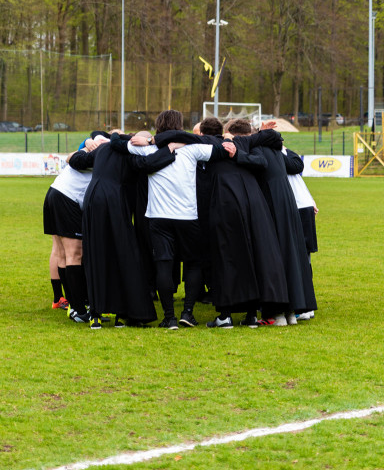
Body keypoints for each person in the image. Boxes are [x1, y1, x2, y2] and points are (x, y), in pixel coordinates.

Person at [156, 117, 287, 328]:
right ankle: (251, 314)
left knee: (225, 257)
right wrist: (255, 136)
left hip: (224, 205)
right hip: (249, 204)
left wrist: (153, 140)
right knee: (248, 255)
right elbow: (271, 139)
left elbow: (180, 136)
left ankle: (226, 315)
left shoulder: (210, 144)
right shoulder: (243, 142)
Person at [120, 110, 234, 330]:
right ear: (180, 126)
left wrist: (146, 140)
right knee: (193, 264)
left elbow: (116, 143)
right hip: (187, 216)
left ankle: (169, 317)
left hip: (158, 216)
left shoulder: (147, 148)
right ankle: (188, 313)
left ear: (158, 126)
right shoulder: (192, 149)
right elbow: (222, 149)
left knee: (164, 263)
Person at [81, 129, 176, 329]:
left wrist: (88, 142)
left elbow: (77, 160)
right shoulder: (130, 152)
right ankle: (125, 313)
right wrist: (171, 151)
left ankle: (95, 313)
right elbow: (148, 165)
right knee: (124, 254)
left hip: (92, 198)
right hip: (114, 199)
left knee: (96, 253)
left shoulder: (102, 149)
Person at [242, 119, 315, 326]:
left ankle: (275, 312)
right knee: (291, 255)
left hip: (270, 208)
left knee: (272, 258)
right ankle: (292, 311)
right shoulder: (277, 154)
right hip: (288, 207)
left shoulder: (257, 152)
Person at [41, 134, 99, 322]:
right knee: (74, 253)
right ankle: (79, 309)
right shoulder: (101, 151)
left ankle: (73, 305)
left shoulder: (92, 146)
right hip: (66, 198)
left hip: (55, 193)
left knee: (63, 253)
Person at [285, 145, 318, 321]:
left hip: (296, 207)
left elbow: (295, 168)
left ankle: (304, 305)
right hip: (302, 205)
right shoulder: (287, 154)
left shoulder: (279, 156)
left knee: (300, 258)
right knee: (304, 257)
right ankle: (305, 305)